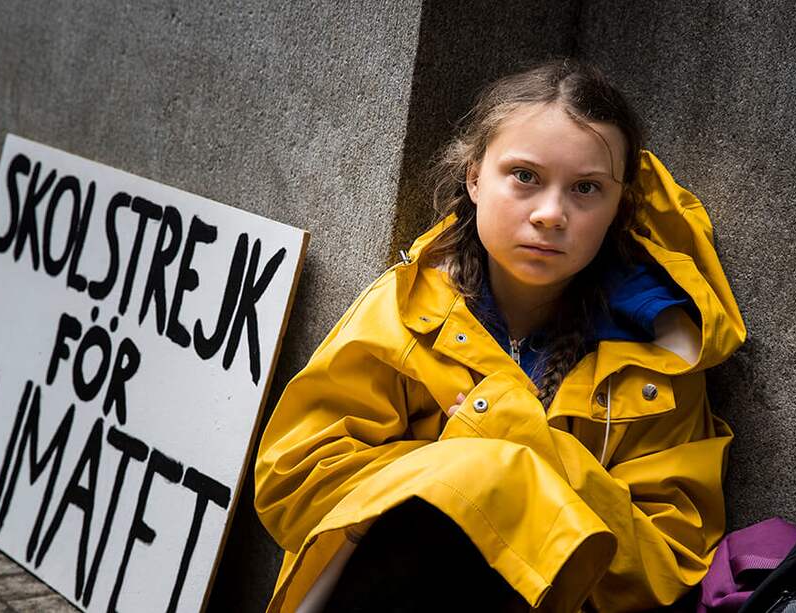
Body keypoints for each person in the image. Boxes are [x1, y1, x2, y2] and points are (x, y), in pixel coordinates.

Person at [253, 58, 746, 612]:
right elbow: (293, 482)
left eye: (586, 188)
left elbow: (668, 563)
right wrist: (472, 471)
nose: (551, 214)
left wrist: (519, 439)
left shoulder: (660, 355)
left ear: (619, 206)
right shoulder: (408, 309)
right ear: (474, 178)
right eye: (525, 177)